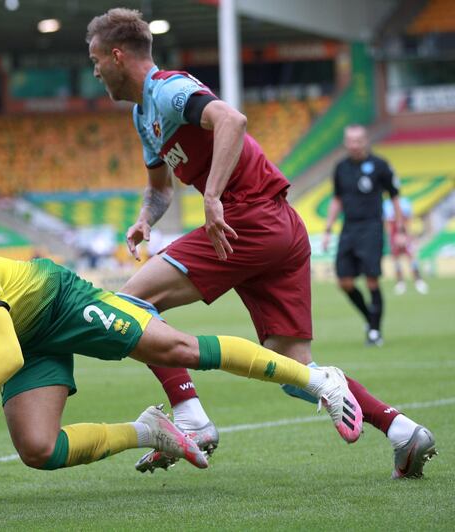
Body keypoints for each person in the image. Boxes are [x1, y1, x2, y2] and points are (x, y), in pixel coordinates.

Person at [86, 8, 436, 478]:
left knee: (126, 306)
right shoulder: (141, 114)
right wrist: (145, 219)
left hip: (247, 217)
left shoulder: (168, 90)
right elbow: (161, 188)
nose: (93, 71)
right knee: (294, 373)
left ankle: (190, 419)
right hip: (278, 227)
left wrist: (211, 197)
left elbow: (232, 120)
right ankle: (402, 431)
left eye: (95, 60)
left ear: (117, 54)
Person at [0, 241, 362, 473]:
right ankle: (148, 432)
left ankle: (317, 379)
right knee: (39, 450)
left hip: (61, 302)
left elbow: (4, 353)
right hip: (29, 340)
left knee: (178, 347)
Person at [323, 125, 405, 346]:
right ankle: (370, 319)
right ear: (346, 142)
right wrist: (328, 229)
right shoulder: (340, 167)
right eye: (350, 140)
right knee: (345, 282)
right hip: (348, 228)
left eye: (358, 140)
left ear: (366, 141)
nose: (354, 144)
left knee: (371, 280)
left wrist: (400, 231)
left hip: (372, 228)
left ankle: (375, 332)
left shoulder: (380, 165)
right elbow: (337, 199)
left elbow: (395, 197)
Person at [383, 196, 428, 295]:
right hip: (393, 236)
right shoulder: (386, 204)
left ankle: (418, 281)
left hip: (405, 234)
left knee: (411, 257)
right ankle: (400, 283)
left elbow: (409, 220)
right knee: (395, 258)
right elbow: (386, 223)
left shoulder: (404, 202)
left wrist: (406, 235)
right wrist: (392, 237)